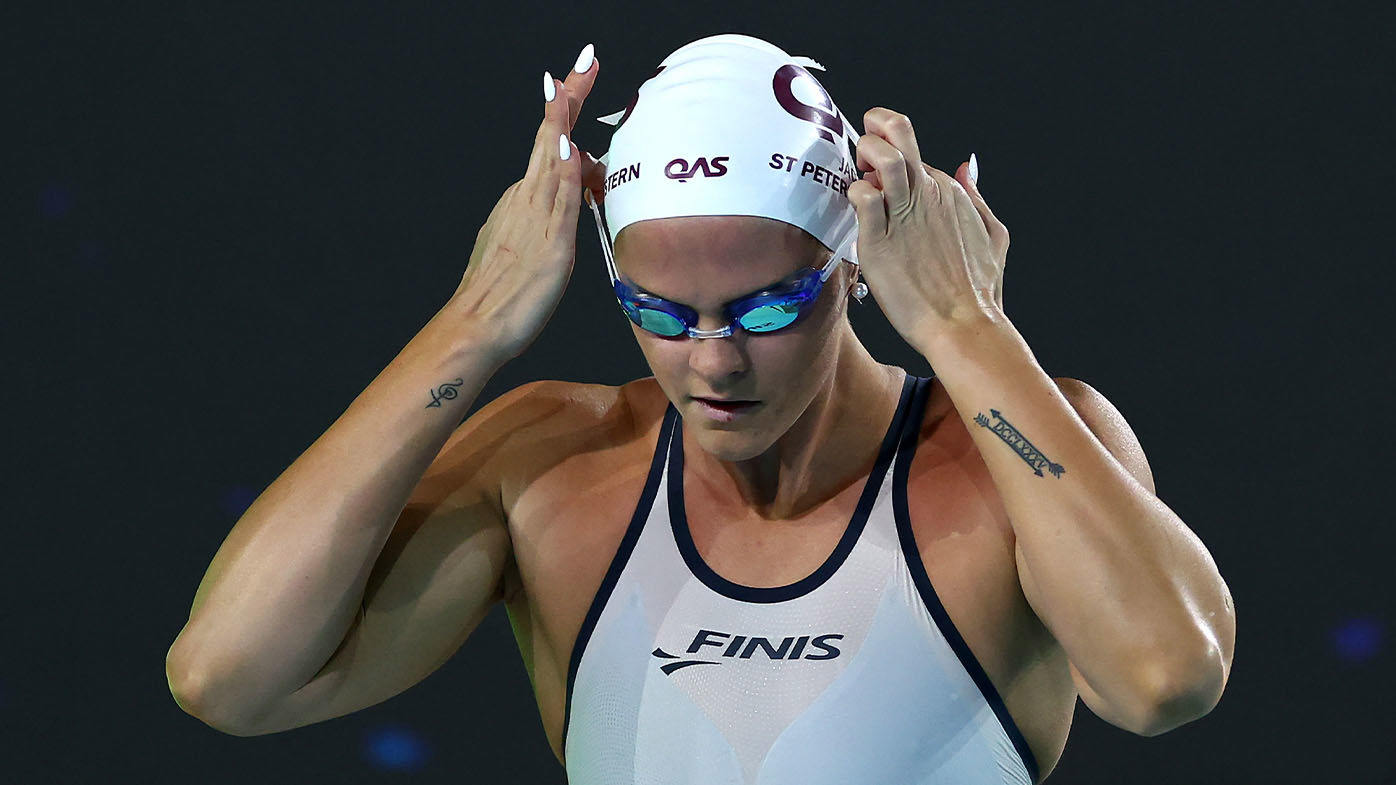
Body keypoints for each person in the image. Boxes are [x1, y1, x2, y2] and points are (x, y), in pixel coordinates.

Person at [166, 34, 1235, 785]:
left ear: (854, 264)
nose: (713, 359)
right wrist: (473, 322)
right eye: (660, 311)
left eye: (769, 305)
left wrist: (968, 331)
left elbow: (1165, 677)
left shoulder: (1012, 454)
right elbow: (229, 674)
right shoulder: (552, 460)